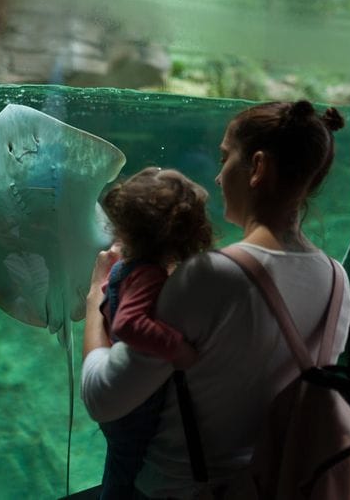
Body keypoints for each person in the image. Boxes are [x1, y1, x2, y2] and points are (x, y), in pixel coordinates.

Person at [81, 100, 350, 499]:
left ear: (257, 167)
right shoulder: (338, 281)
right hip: (274, 485)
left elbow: (104, 398)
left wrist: (95, 300)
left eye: (226, 157)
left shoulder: (210, 277)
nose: (217, 174)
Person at [94, 167, 212, 499]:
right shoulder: (150, 276)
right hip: (135, 405)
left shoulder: (124, 267)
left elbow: (109, 302)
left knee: (120, 462)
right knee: (123, 471)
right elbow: (128, 324)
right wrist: (178, 349)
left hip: (121, 396)